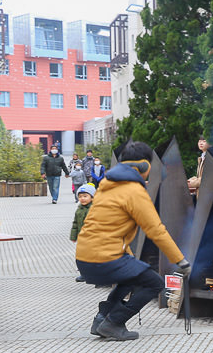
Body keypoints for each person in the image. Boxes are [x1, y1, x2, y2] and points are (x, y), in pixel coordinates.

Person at [76, 141, 191, 341]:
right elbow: (156, 230)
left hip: (84, 257)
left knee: (132, 276)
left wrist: (129, 259)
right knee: (154, 283)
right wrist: (181, 261)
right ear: (144, 166)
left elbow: (111, 227)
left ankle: (101, 319)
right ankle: (114, 323)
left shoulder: (105, 186)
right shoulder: (134, 191)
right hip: (104, 258)